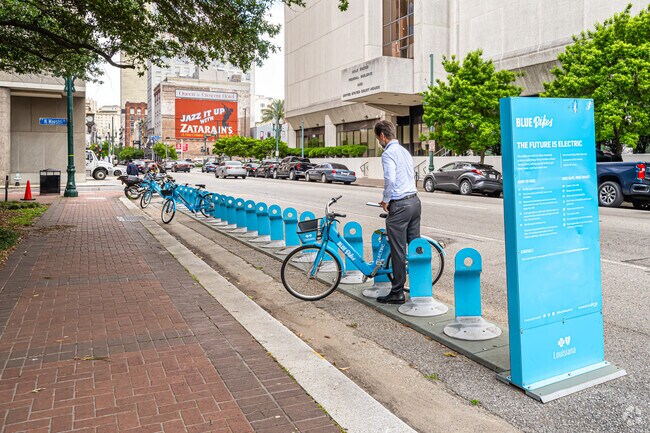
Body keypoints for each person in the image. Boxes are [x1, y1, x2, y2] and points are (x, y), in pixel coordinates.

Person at [374, 120, 421, 305]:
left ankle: (397, 292)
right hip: (415, 202)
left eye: (378, 138)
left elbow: (390, 179)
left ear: (383, 136)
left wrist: (386, 200)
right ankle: (419, 287)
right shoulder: (404, 151)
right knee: (416, 247)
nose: (379, 142)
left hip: (400, 206)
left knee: (398, 250)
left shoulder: (388, 153)